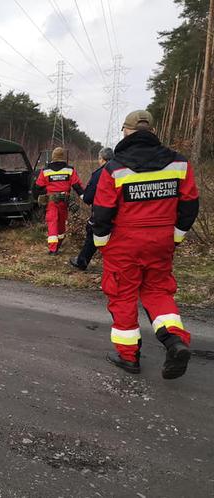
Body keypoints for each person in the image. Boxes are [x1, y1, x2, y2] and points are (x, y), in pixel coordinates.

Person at [91, 110, 199, 379]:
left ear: (126, 132)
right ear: (152, 131)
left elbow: (102, 212)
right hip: (161, 241)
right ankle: (174, 341)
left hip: (124, 243)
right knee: (158, 291)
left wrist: (101, 243)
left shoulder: (114, 168)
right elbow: (189, 205)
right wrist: (175, 235)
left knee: (123, 295)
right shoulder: (179, 163)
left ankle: (129, 357)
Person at [69, 147, 114, 270]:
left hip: (101, 211)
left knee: (93, 233)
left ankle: (82, 261)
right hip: (120, 213)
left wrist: (81, 193)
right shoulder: (120, 170)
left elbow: (88, 197)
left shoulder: (100, 173)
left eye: (99, 158)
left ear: (102, 158)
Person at [35, 147, 85, 254]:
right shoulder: (70, 170)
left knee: (52, 222)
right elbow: (77, 186)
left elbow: (38, 187)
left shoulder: (45, 171)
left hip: (51, 201)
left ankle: (53, 249)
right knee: (62, 223)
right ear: (63, 157)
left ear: (53, 157)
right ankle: (59, 243)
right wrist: (85, 197)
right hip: (64, 201)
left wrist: (46, 191)